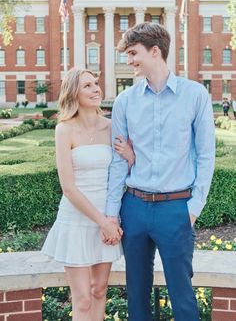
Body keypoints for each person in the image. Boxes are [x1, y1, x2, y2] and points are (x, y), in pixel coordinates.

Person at [105, 22, 215, 321]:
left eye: (132, 53)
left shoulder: (195, 95)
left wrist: (193, 208)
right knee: (136, 299)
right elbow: (118, 161)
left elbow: (206, 155)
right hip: (135, 207)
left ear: (155, 51)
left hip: (176, 209)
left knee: (183, 298)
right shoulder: (125, 100)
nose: (128, 61)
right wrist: (112, 212)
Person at [41, 68, 134, 321]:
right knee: (81, 299)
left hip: (107, 218)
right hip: (77, 220)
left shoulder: (113, 126)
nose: (96, 89)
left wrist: (129, 156)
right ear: (74, 93)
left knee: (99, 290)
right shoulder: (64, 130)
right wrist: (102, 222)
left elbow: (122, 170)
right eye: (87, 86)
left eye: (96, 83)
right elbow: (68, 188)